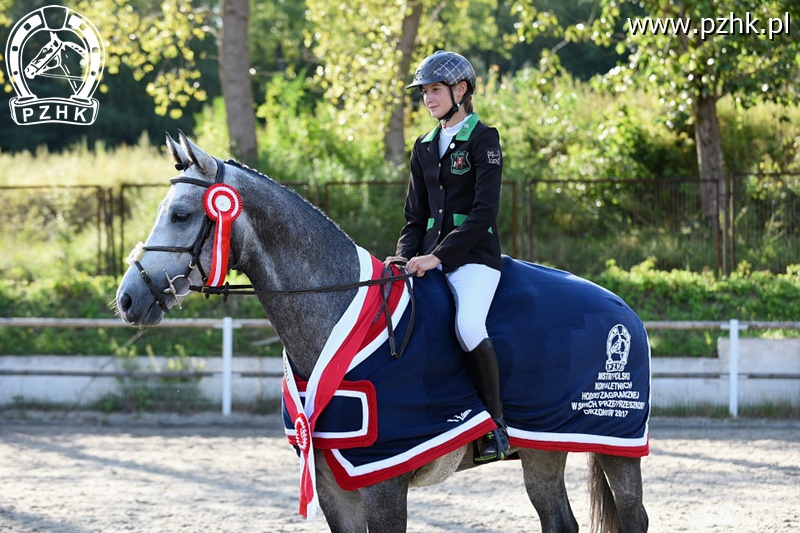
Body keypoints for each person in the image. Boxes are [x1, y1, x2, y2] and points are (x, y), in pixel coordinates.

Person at [385, 50, 508, 463]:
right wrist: (404, 259)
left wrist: (437, 257)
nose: (428, 98)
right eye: (424, 91)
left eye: (435, 89)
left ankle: (496, 426)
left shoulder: (483, 138)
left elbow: (483, 213)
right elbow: (414, 216)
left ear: (461, 90)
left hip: (474, 258)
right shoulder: (422, 147)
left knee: (467, 323)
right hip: (426, 259)